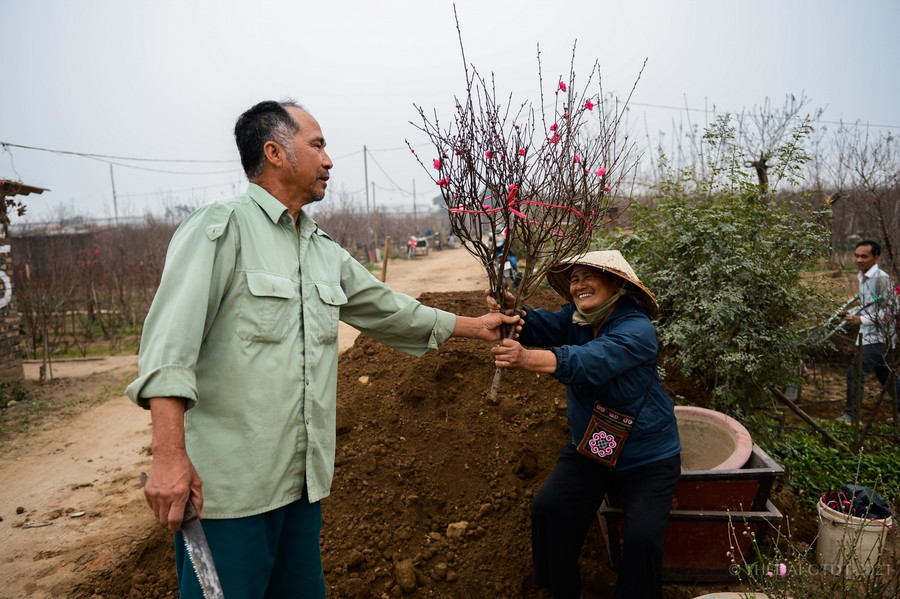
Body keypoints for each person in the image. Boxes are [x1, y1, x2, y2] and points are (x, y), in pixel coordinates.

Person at [125, 100, 519, 599]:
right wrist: (167, 457)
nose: (329, 159)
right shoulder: (220, 229)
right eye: (317, 145)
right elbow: (167, 349)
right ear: (275, 152)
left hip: (299, 488)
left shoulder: (320, 247)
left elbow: (388, 309)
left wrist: (474, 327)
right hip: (229, 496)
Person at [489, 250, 681, 599]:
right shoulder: (574, 319)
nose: (579, 285)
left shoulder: (637, 329)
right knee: (550, 509)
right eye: (574, 279)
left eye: (589, 277)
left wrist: (526, 358)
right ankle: (563, 591)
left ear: (616, 284)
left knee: (641, 538)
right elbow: (541, 325)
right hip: (593, 446)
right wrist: (513, 314)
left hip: (647, 455)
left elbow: (589, 361)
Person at [841, 239, 900, 423]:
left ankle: (851, 416)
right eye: (857, 255)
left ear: (876, 257)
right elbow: (869, 306)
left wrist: (861, 320)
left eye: (864, 256)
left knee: (855, 372)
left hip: (879, 337)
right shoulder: (863, 277)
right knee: (886, 376)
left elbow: (892, 310)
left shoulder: (881, 279)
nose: (859, 260)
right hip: (868, 335)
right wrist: (849, 313)